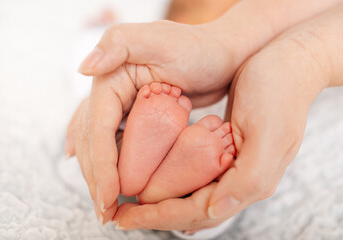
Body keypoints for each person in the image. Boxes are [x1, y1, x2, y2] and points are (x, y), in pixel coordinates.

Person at [65, 0, 343, 234]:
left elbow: (92, 56)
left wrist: (99, 26)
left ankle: (124, 147)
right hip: (214, 107)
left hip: (168, 87)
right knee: (229, 179)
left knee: (99, 107)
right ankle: (171, 182)